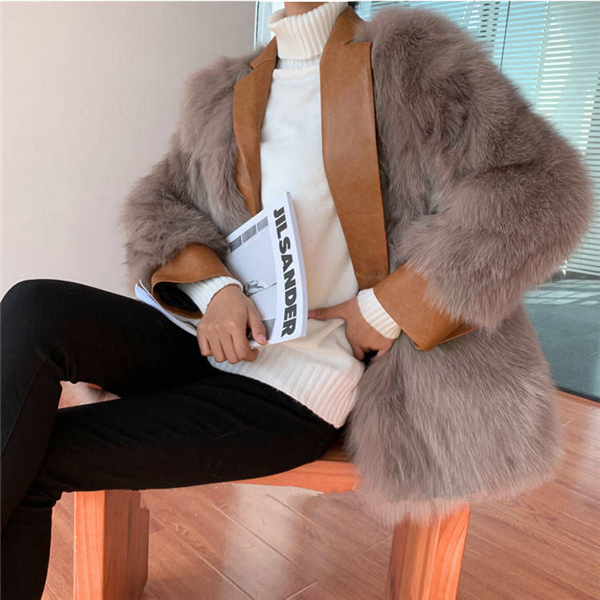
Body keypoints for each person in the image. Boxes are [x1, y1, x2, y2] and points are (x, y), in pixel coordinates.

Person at [1, 3, 399, 598]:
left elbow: (526, 197)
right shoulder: (226, 90)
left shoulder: (405, 69)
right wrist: (217, 288)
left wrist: (386, 310)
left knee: (29, 455)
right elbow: (162, 206)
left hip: (293, 388)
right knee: (34, 307)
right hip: (198, 343)